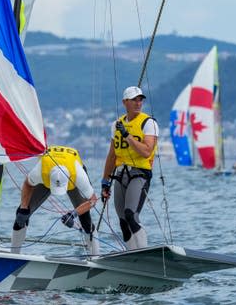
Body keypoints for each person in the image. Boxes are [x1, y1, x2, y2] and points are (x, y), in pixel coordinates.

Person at [11, 145, 99, 256]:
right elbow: (28, 184)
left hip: (72, 175)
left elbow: (93, 200)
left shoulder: (79, 175)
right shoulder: (40, 171)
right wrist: (24, 207)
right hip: (47, 176)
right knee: (21, 214)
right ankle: (14, 255)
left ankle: (95, 255)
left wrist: (73, 214)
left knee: (85, 219)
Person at [101, 86, 159, 250]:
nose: (138, 103)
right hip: (120, 174)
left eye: (140, 99)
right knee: (122, 220)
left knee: (130, 214)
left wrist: (127, 136)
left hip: (140, 173)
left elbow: (147, 151)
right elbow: (112, 155)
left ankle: (143, 252)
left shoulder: (149, 123)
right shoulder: (116, 125)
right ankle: (131, 254)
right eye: (134, 99)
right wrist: (105, 182)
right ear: (125, 102)